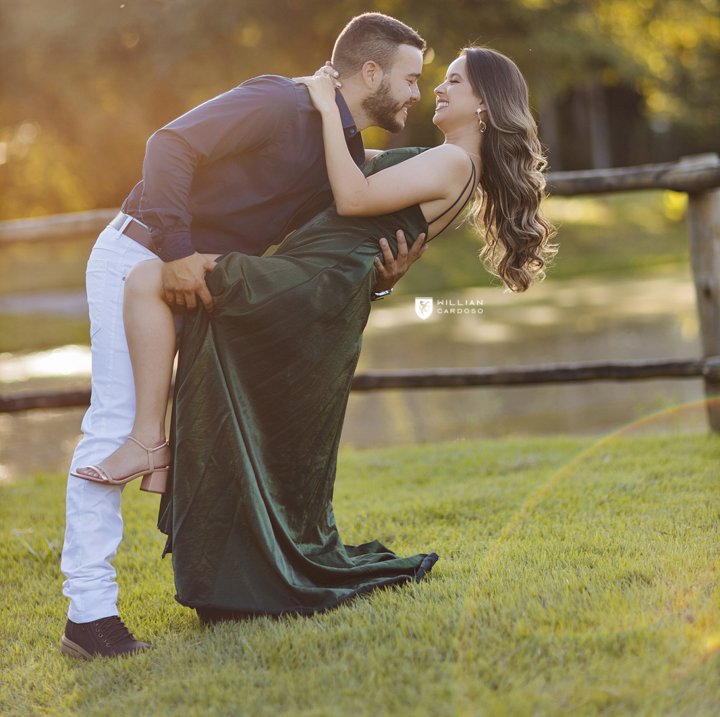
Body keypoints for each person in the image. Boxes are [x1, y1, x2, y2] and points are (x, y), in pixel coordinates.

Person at [76, 46, 556, 625]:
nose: (433, 89)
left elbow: (352, 196)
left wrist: (328, 109)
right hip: (322, 281)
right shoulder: (441, 161)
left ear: (486, 106)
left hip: (312, 281)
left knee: (149, 275)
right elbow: (347, 182)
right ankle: (161, 457)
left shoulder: (455, 164)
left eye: (452, 80)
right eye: (425, 77)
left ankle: (150, 442)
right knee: (195, 343)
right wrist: (377, 278)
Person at [60, 12, 429, 660]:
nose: (415, 94)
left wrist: (379, 280)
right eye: (411, 78)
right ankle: (89, 618)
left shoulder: (337, 158)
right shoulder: (278, 101)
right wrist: (174, 250)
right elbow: (168, 145)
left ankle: (232, 572)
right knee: (116, 426)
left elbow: (318, 255)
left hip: (208, 288)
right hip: (139, 258)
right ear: (370, 71)